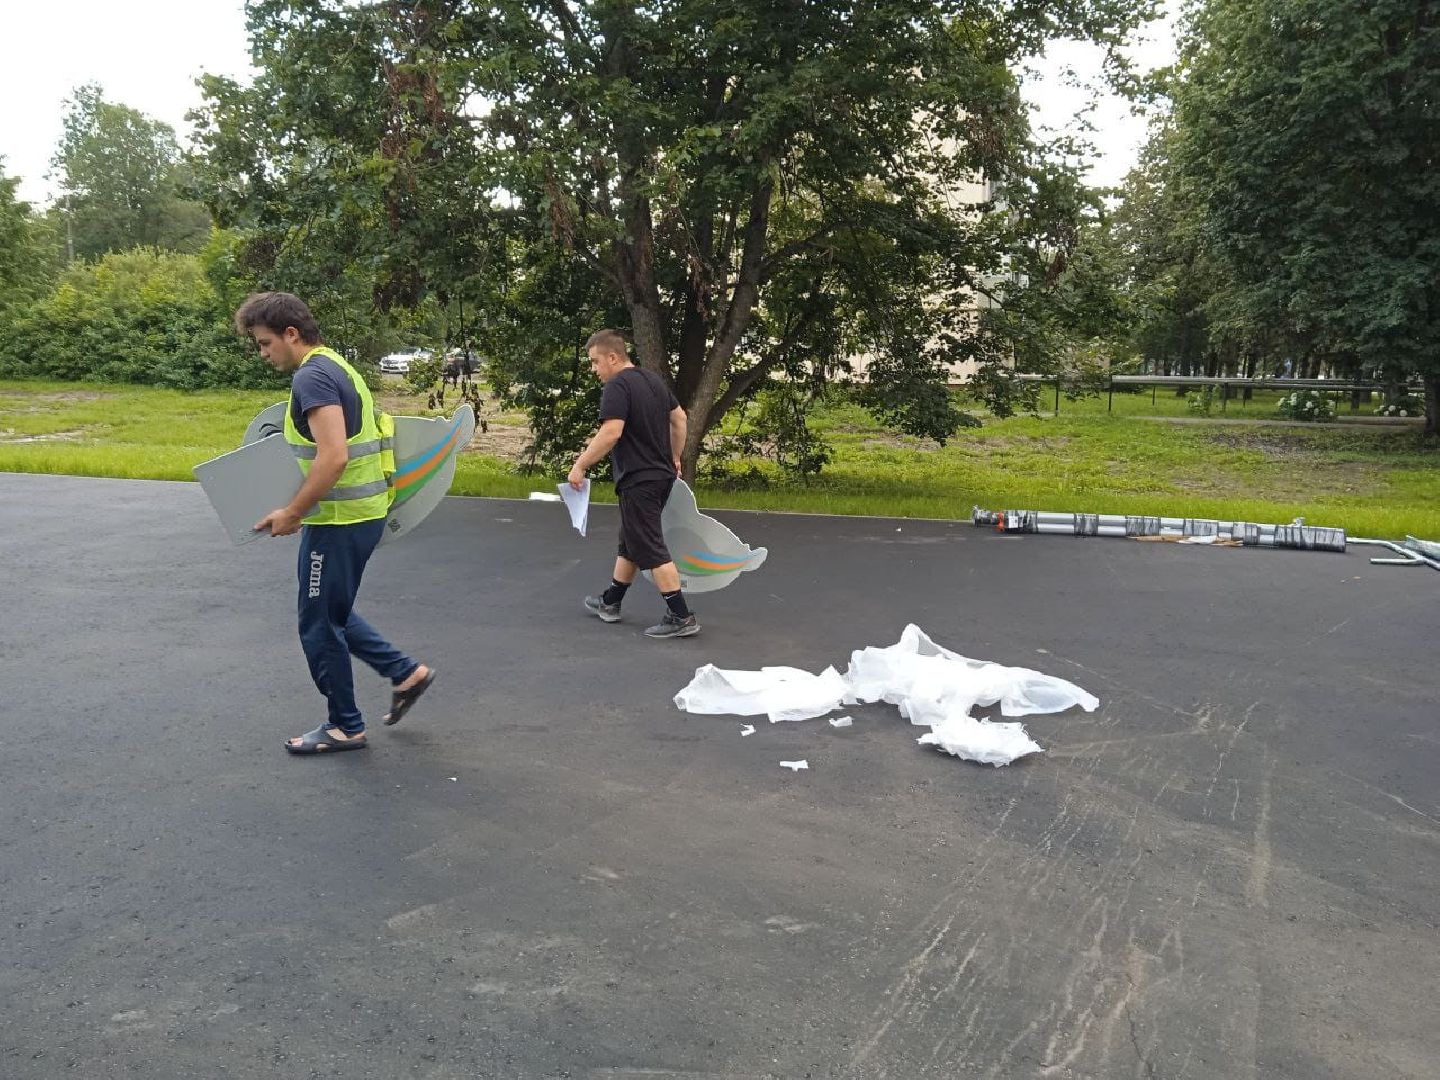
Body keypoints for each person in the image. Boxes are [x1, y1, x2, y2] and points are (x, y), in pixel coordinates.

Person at [235, 291, 436, 754]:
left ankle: (345, 725)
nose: (263, 353)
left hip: (340, 521)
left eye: (265, 343)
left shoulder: (314, 378)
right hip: (354, 516)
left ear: (291, 333)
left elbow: (334, 458)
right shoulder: (337, 367)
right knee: (331, 613)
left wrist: (293, 512)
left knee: (319, 623)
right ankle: (405, 673)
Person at [567, 329, 698, 638]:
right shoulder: (652, 380)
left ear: (613, 358)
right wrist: (674, 456)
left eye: (595, 362)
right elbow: (680, 419)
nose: (594, 369)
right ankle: (610, 602)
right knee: (632, 541)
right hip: (660, 475)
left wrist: (580, 465)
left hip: (639, 479)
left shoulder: (617, 385)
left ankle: (681, 616)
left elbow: (612, 432)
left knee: (649, 545)